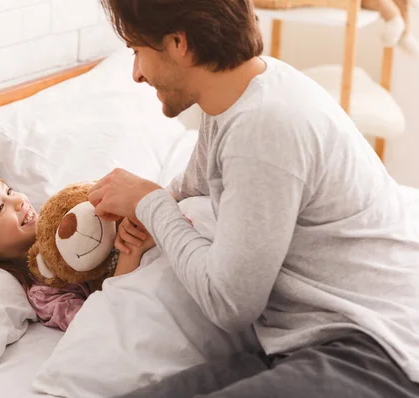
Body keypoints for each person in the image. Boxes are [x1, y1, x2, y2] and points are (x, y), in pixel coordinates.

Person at [88, 0, 419, 397]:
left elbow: (230, 304)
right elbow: (193, 186)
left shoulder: (265, 125)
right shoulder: (237, 96)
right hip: (306, 342)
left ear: (178, 43)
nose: (137, 73)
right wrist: (138, 207)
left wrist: (151, 204)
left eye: (137, 51)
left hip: (378, 348)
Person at [0, 168, 155, 331]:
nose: (18, 200)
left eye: (8, 191)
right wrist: (130, 251)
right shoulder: (44, 291)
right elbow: (99, 323)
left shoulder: (63, 213)